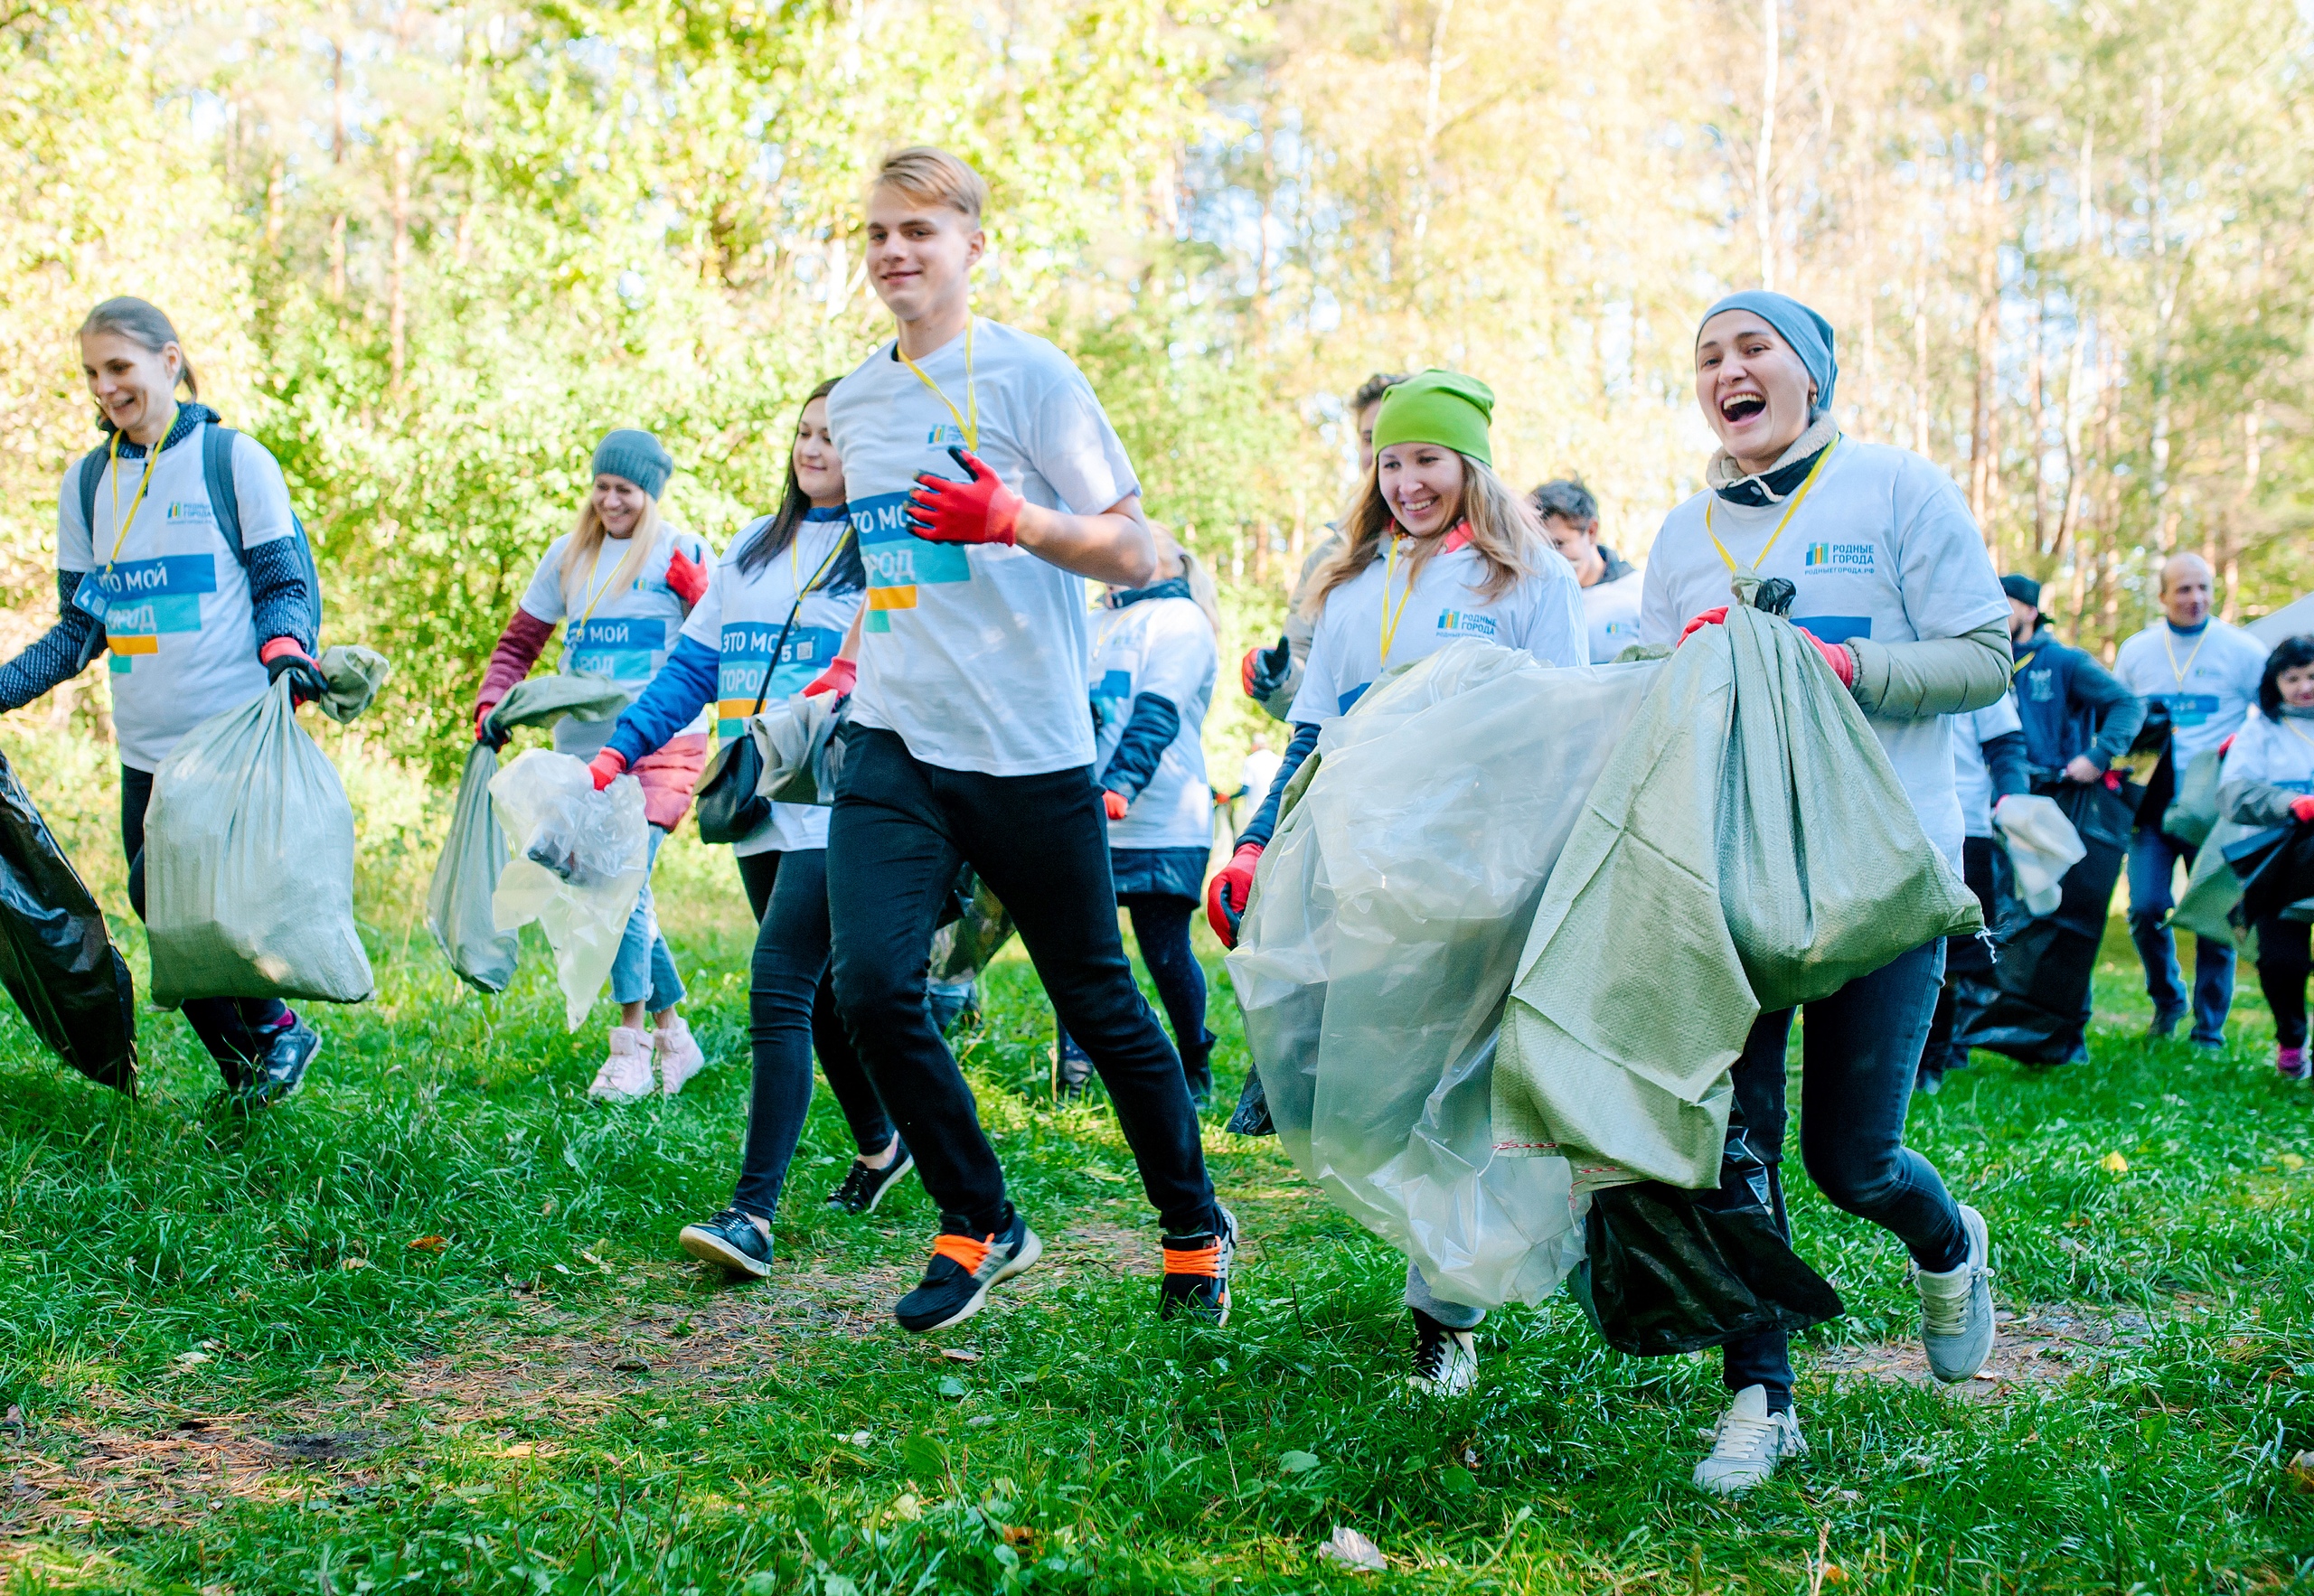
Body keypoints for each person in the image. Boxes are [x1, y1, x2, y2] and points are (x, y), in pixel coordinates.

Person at [821, 146, 1235, 1333]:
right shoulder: (856, 400)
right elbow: (893, 570)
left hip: (1030, 747)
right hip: (899, 739)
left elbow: (1139, 552)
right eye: (878, 233)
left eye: (921, 231)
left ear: (971, 247)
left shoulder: (1029, 378)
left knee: (1100, 1004)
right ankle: (978, 1215)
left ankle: (1195, 1227)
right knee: (874, 986)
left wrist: (1015, 517)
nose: (896, 251)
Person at [1638, 290, 2012, 1495]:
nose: (1728, 372)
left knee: (1854, 1159)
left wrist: (1841, 664)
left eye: (1755, 349)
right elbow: (1650, 699)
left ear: (1813, 374)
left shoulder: (1897, 490)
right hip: (1736, 874)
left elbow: (1982, 657)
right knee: (1733, 1140)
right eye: (1708, 357)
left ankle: (1949, 1243)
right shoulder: (1682, 531)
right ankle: (1762, 1395)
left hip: (1886, 873)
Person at [1206, 368, 1585, 1395]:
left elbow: (1570, 733)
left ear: (1470, 465)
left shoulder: (1530, 581)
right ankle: (1453, 1251)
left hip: (1481, 873)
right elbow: (1311, 734)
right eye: (1393, 460)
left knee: (1461, 1090)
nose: (1410, 480)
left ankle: (1442, 1317)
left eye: (1429, 459)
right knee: (1370, 1087)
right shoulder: (1352, 585)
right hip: (1363, 872)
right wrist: (1254, 848)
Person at [583, 380, 909, 1278]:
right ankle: (885, 1145)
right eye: (804, 433)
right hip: (755, 803)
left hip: (840, 805)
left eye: (834, 437)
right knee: (825, 998)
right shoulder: (749, 552)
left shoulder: (887, 555)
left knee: (776, 986)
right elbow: (691, 668)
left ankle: (751, 1215)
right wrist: (618, 752)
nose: (813, 450)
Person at [0, 297, 325, 1107]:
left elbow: (282, 581)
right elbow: (80, 628)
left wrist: (286, 646)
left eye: (120, 368)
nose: (106, 388)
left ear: (169, 362)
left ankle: (277, 1031)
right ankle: (250, 1073)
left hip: (225, 737)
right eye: (91, 374)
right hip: (143, 751)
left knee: (159, 890)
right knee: (168, 916)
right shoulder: (87, 485)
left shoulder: (232, 460)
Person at [474, 429, 714, 1102]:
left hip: (664, 746)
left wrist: (697, 593)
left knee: (625, 880)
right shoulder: (568, 554)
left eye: (626, 490)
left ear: (651, 494)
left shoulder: (682, 551)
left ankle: (629, 1048)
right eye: (602, 486)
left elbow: (721, 638)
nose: (611, 501)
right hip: (583, 752)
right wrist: (494, 696)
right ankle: (674, 1036)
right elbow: (520, 641)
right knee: (604, 883)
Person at [1055, 533, 1222, 1104]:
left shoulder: (1181, 618)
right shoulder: (1088, 621)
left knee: (1164, 949)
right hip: (1085, 809)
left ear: (1178, 562)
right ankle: (1074, 1076)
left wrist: (1122, 782)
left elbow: (1160, 708)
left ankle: (1194, 1059)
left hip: (1163, 817)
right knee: (1078, 947)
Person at [2113, 553, 2268, 1045]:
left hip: (2215, 808)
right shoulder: (2136, 651)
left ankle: (2209, 1028)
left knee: (2213, 910)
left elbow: (2268, 716)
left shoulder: (2242, 649)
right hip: (2153, 804)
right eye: (2183, 589)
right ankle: (2167, 1000)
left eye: (2203, 587)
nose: (2195, 598)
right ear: (2162, 597)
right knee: (2145, 906)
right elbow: (2119, 720)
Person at [1240, 373, 1406, 718]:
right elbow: (1308, 693)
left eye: (1395, 436)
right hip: (1349, 764)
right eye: (1368, 438)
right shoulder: (1329, 559)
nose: (1380, 451)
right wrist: (1278, 677)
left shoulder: (1474, 552)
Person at [1917, 697, 2030, 1092]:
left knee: (1952, 954)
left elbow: (2005, 741)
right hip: (1884, 820)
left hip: (1964, 824)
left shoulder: (1975, 650)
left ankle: (1933, 1061)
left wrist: (2013, 796)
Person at [2215, 635, 2314, 1082]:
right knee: (2281, 961)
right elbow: (2232, 794)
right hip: (2279, 864)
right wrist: (2289, 803)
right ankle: (2291, 1041)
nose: (2304, 686)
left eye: (2311, 675)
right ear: (2275, 683)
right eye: (2292, 678)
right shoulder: (2260, 730)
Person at [2003, 575, 2147, 787]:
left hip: (2059, 793)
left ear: (2030, 612)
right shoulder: (1992, 665)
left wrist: (2098, 756)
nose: (1995, 614)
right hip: (2002, 793)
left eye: (2005, 604)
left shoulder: (2066, 661)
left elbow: (2129, 704)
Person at [1532, 478, 1644, 663]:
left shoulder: (1638, 592)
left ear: (1592, 531)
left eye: (1558, 544)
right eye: (1541, 548)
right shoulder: (1535, 600)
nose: (1550, 559)